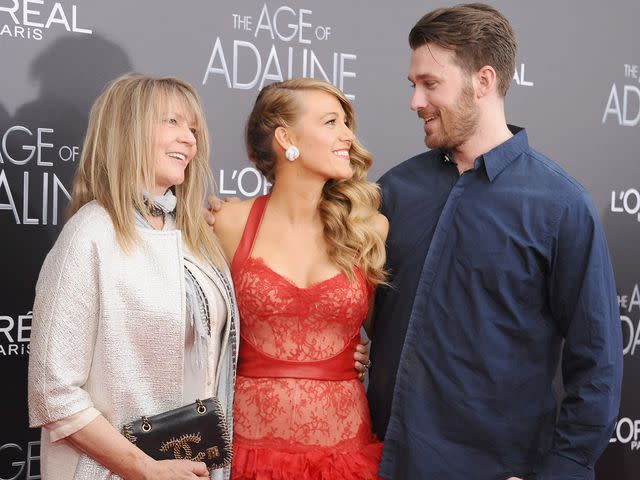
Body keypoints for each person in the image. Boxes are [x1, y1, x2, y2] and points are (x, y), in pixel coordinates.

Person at [366, 4, 623, 480]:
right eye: (412, 85)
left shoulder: (560, 205)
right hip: (381, 461)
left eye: (430, 84)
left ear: (483, 81)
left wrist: (561, 470)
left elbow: (598, 360)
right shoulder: (395, 190)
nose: (415, 101)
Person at [28, 73, 240, 480]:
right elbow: (52, 392)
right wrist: (146, 469)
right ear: (128, 130)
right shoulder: (91, 233)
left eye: (193, 128)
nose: (190, 140)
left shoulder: (195, 238)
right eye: (172, 122)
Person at [213, 78, 388, 479]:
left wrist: (364, 354)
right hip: (246, 455)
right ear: (285, 137)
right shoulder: (228, 223)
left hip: (346, 456)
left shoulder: (369, 229)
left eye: (346, 123)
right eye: (331, 122)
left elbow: (388, 333)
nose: (348, 136)